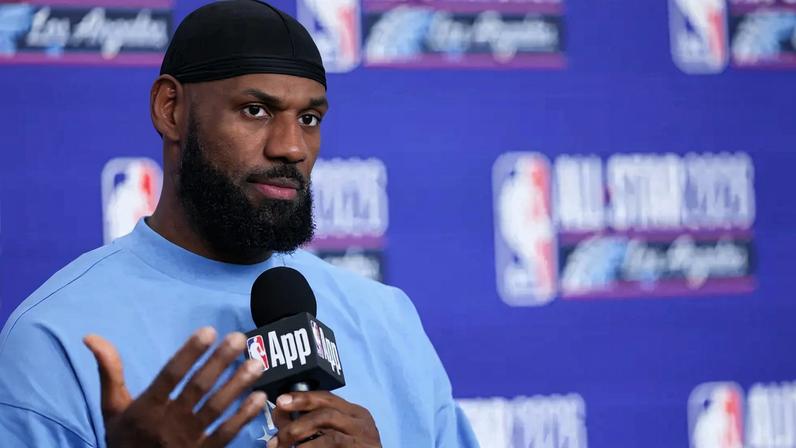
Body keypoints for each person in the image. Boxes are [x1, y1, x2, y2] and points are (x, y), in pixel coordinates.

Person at [0, 1, 479, 447]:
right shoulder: (56, 338)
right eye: (256, 111)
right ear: (170, 109)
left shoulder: (389, 320)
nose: (290, 147)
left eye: (309, 118)